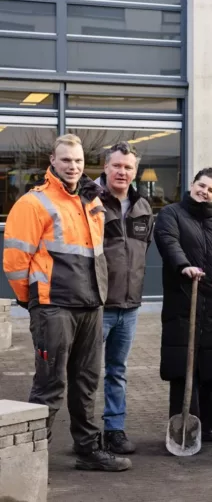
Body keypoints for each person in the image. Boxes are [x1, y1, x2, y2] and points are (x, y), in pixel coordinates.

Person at [3, 134, 129, 471]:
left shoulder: (91, 201)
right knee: (50, 385)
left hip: (91, 305)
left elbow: (96, 254)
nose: (72, 167)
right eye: (66, 161)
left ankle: (88, 450)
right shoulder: (34, 203)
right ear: (52, 161)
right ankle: (25, 463)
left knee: (86, 381)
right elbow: (15, 261)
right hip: (54, 307)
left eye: (77, 161)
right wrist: (33, 302)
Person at [154, 167, 212, 443]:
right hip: (183, 301)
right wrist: (185, 266)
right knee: (183, 367)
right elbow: (168, 242)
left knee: (210, 368)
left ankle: (206, 425)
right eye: (201, 185)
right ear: (192, 184)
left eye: (210, 190)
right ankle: (182, 427)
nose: (203, 191)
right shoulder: (171, 214)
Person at [94, 142, 154, 455]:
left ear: (135, 171)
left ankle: (114, 430)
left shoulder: (143, 206)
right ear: (106, 167)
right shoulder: (90, 201)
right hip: (97, 305)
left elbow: (143, 252)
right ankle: (86, 434)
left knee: (117, 370)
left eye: (128, 167)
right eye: (117, 166)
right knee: (86, 371)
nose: (122, 172)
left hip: (130, 307)